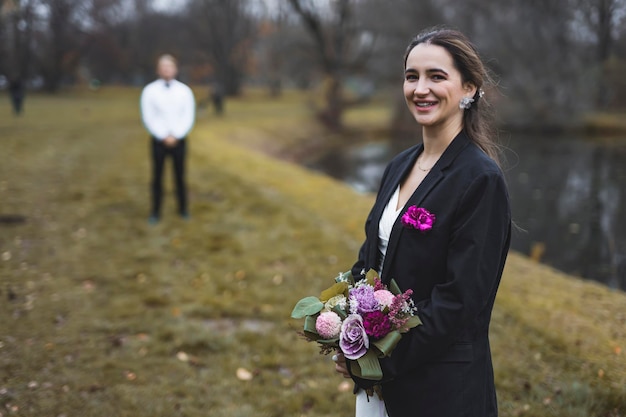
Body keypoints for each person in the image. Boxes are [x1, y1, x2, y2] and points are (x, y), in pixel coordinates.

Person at [333, 27, 512, 417]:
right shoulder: (400, 164)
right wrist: (345, 329)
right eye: (412, 76)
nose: (420, 88)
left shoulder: (480, 180)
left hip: (440, 388)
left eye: (436, 76)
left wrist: (380, 361)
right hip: (377, 379)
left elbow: (458, 302)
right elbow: (371, 263)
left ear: (469, 88)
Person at [140, 54, 196, 224]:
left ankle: (183, 209)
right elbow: (148, 117)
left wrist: (177, 135)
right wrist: (163, 135)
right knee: (157, 176)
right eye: (163, 67)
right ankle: (155, 211)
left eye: (169, 66)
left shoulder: (184, 91)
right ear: (158, 70)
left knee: (180, 176)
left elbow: (188, 116)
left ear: (175, 69)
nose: (166, 70)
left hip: (179, 140)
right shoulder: (149, 91)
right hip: (159, 141)